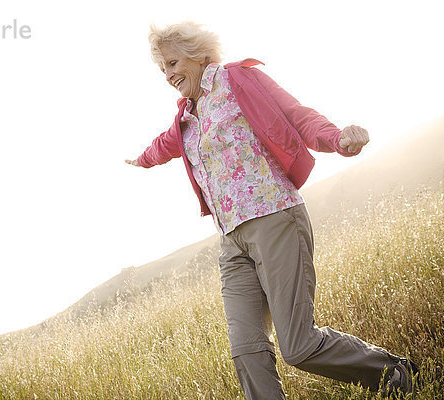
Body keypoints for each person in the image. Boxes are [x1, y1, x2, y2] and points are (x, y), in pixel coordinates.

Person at [125, 22, 418, 399]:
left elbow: (295, 114)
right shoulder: (185, 117)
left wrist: (337, 138)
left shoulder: (238, 80)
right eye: (162, 68)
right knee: (247, 350)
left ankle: (394, 371)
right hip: (232, 241)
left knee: (298, 345)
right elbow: (166, 145)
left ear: (199, 55)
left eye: (172, 62)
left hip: (275, 218)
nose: (167, 74)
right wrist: (141, 159)